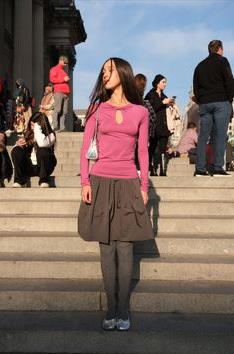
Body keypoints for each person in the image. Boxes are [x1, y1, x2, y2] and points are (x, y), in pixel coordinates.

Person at [78, 58, 153, 331]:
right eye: (103, 71)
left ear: (122, 73)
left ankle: (123, 309)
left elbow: (143, 152)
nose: (105, 74)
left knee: (126, 245)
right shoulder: (96, 109)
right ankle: (111, 308)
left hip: (128, 181)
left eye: (110, 69)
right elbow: (86, 147)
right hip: (99, 180)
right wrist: (85, 181)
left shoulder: (140, 112)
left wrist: (144, 186)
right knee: (106, 247)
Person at [193, 39, 234, 176]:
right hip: (221, 101)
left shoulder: (199, 66)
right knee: (220, 136)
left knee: (203, 136)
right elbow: (229, 81)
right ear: (220, 49)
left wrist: (201, 101)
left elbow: (196, 88)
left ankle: (200, 168)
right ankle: (217, 167)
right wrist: (230, 99)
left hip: (205, 104)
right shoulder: (223, 61)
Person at [11, 112, 57, 188]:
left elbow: (42, 143)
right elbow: (15, 153)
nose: (32, 127)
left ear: (41, 125)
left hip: (44, 168)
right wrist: (18, 145)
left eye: (34, 125)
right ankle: (19, 181)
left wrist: (37, 129)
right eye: (31, 125)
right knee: (16, 150)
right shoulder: (28, 134)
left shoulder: (51, 135)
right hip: (29, 167)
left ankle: (44, 180)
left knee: (43, 151)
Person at [145, 74, 175, 176]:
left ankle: (163, 170)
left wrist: (170, 103)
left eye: (165, 82)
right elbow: (150, 108)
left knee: (163, 148)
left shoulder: (164, 96)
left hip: (163, 125)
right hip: (153, 126)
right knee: (152, 147)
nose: (165, 84)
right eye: (163, 82)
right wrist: (163, 102)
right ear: (157, 83)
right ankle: (152, 170)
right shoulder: (150, 95)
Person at [134, 73, 156, 172]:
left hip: (130, 135)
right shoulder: (145, 103)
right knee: (140, 154)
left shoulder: (127, 102)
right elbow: (153, 118)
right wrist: (149, 134)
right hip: (142, 136)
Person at [49, 55, 70, 132]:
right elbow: (52, 79)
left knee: (64, 111)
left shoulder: (63, 71)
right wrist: (63, 79)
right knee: (57, 109)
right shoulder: (54, 69)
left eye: (66, 63)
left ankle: (62, 127)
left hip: (66, 93)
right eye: (65, 63)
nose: (65, 64)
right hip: (58, 92)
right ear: (60, 60)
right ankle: (55, 126)